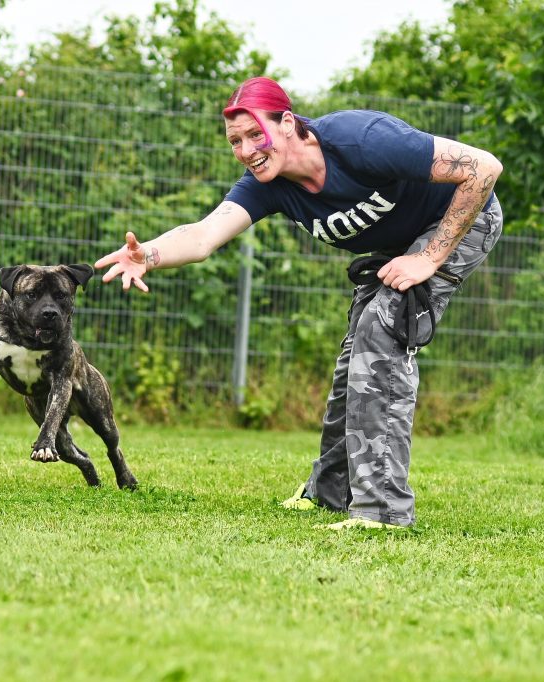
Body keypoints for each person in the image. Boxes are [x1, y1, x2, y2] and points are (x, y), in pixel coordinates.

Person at [94, 76, 503, 530]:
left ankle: (383, 511)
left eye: (255, 134)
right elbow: (204, 235)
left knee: (382, 333)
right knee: (355, 354)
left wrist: (429, 258)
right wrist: (148, 254)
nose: (246, 150)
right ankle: (329, 493)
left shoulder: (359, 140)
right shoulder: (268, 185)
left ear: (287, 123)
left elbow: (483, 168)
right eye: (235, 141)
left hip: (463, 222)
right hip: (400, 245)